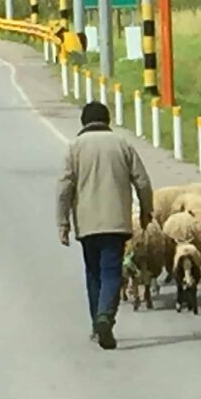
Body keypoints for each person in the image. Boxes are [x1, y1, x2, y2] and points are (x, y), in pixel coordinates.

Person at [57, 102, 154, 350]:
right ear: (108, 120)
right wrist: (145, 211)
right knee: (111, 271)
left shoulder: (75, 148)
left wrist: (63, 223)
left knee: (93, 272)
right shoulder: (122, 145)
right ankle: (105, 318)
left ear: (83, 122)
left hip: (87, 224)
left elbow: (64, 189)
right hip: (116, 222)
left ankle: (96, 322)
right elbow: (142, 182)